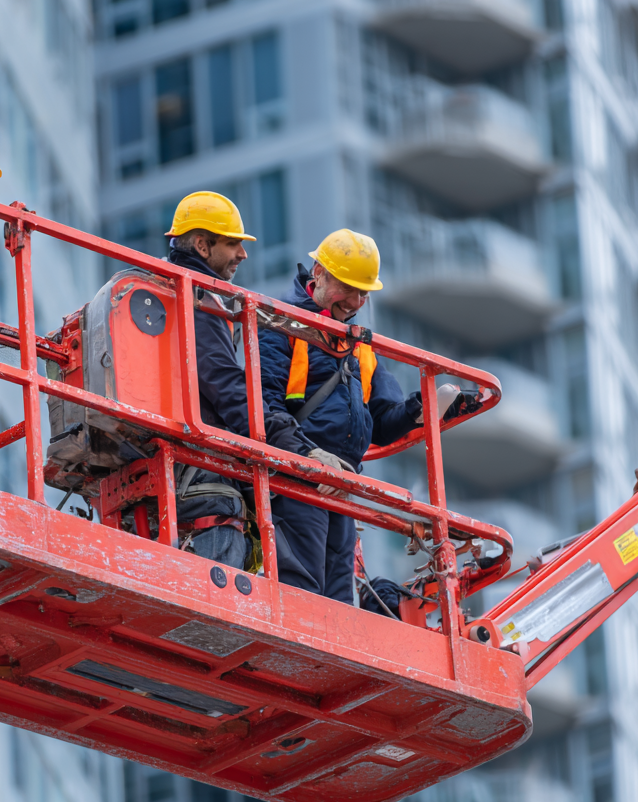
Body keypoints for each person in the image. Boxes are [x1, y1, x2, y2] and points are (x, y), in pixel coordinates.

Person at [260, 229, 481, 606]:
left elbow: (381, 422)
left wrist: (424, 408)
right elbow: (263, 408)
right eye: (348, 288)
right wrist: (307, 458)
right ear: (319, 273)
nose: (357, 301)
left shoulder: (358, 347)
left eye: (365, 293)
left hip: (343, 484)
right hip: (295, 481)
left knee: (337, 601)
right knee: (302, 593)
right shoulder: (280, 325)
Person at [161, 192, 319, 567]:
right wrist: (293, 447)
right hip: (198, 472)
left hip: (175, 467)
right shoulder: (195, 295)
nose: (242, 254)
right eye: (232, 243)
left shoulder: (170, 287)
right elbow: (225, 382)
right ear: (202, 244)